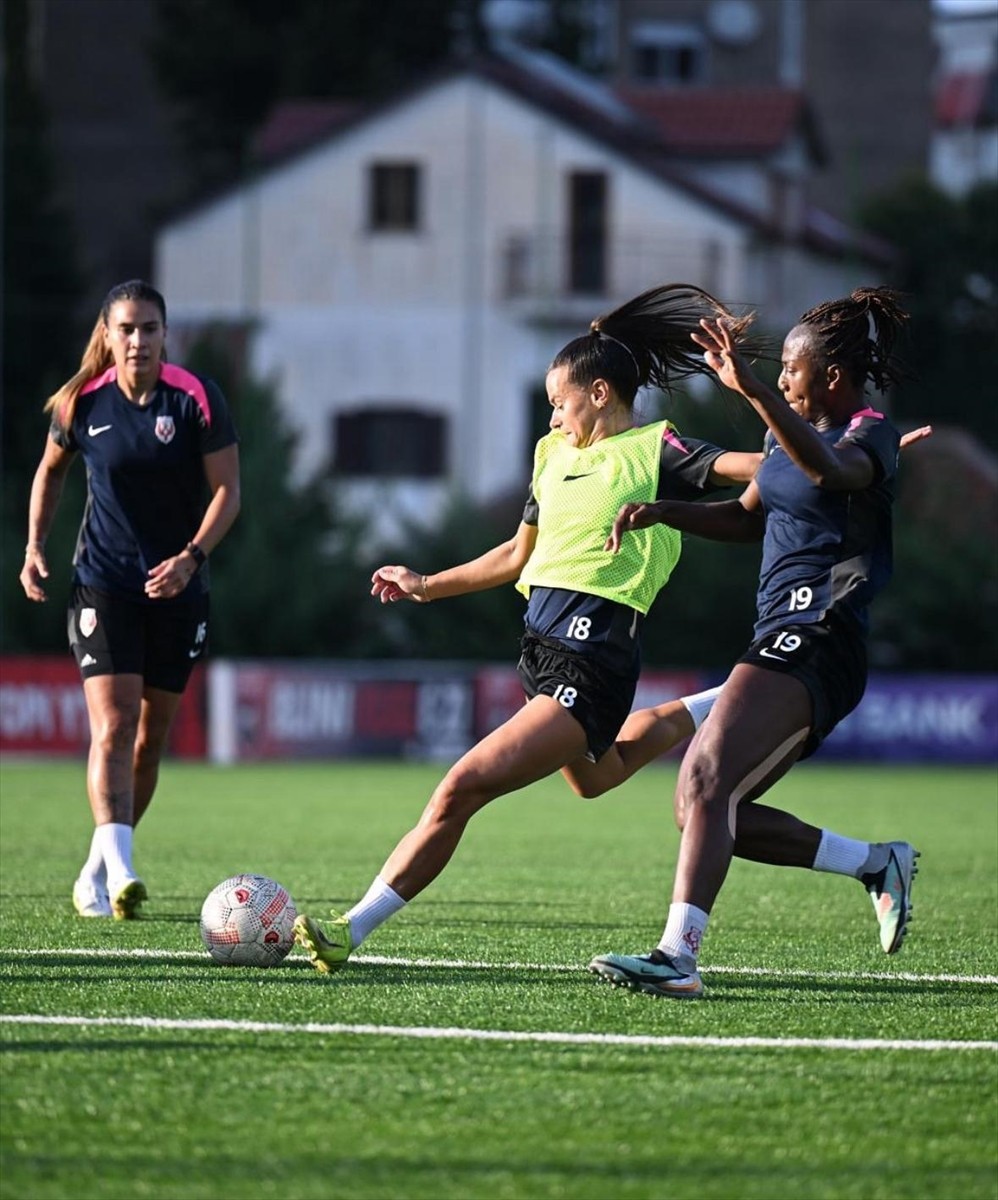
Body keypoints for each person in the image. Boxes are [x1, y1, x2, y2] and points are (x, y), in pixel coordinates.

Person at [292, 283, 770, 972]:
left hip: (592, 661)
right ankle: (718, 702)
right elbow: (518, 555)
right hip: (540, 656)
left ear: (599, 392)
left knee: (461, 786)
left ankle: (351, 929)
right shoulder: (552, 458)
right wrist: (427, 585)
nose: (553, 416)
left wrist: (835, 457)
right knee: (595, 780)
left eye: (559, 401)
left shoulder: (652, 449)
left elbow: (751, 470)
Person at [589, 287, 919, 1000]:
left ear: (830, 377)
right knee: (702, 807)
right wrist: (660, 511)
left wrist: (759, 393)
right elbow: (746, 520)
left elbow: (830, 473)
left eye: (794, 374)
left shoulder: (871, 433)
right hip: (778, 633)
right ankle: (874, 863)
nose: (787, 384)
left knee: (708, 784)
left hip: (822, 637)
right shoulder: (783, 434)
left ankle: (678, 956)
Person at [19, 280, 240, 919]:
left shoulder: (196, 399)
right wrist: (35, 545)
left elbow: (229, 492)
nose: (138, 340)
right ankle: (122, 871)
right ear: (108, 335)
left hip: (179, 590)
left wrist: (191, 558)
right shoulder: (81, 403)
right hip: (103, 585)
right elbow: (50, 471)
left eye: (149, 328)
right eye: (127, 329)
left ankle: (97, 864)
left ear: (165, 335)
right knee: (113, 728)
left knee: (149, 740)